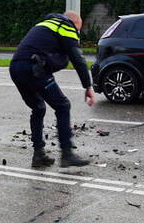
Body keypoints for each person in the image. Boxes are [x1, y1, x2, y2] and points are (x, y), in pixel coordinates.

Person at [9, 11, 96, 168]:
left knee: (38, 107)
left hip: (16, 68)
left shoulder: (45, 25)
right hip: (34, 68)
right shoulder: (66, 26)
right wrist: (88, 86)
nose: (77, 34)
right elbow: (78, 59)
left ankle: (38, 155)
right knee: (63, 105)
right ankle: (67, 154)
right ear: (76, 24)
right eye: (79, 30)